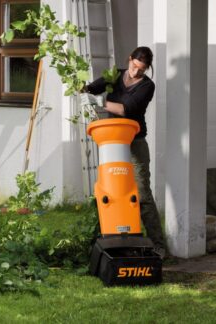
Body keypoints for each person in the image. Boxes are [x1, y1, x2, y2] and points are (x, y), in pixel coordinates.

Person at [81, 46, 165, 258]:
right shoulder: (115, 75)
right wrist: (84, 91)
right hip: (112, 140)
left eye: (142, 69)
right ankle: (106, 237)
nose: (136, 72)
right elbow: (91, 88)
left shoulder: (148, 86)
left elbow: (127, 108)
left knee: (142, 193)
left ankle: (158, 244)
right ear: (129, 59)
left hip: (135, 142)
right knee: (110, 190)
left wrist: (100, 102)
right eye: (134, 66)